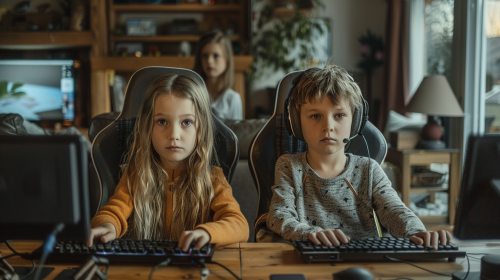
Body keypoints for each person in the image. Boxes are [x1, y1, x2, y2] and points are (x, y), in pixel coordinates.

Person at [267, 65, 452, 250]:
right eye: (315, 115)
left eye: (339, 115)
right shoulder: (288, 166)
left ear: (355, 121)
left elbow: (395, 211)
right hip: (311, 259)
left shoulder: (368, 169)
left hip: (365, 262)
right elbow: (278, 215)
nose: (328, 126)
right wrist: (309, 233)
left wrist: (417, 232)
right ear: (296, 122)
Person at [87, 74, 249, 251]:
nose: (173, 134)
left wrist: (207, 233)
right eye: (162, 121)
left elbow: (239, 224)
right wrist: (107, 226)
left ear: (201, 129)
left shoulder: (213, 178)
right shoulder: (135, 174)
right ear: (148, 127)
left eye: (186, 122)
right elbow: (113, 211)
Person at [194, 31, 243, 120]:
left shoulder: (232, 99)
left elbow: (235, 133)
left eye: (216, 56)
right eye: (205, 55)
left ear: (227, 60)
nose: (209, 61)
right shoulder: (193, 94)